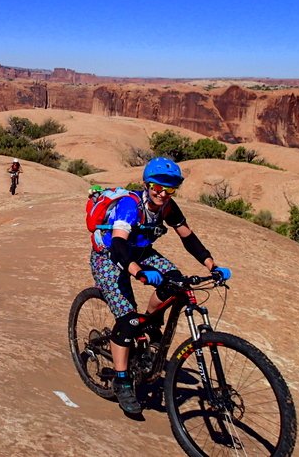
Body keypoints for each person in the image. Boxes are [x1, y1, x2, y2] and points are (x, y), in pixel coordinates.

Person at [88, 157, 231, 415]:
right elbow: (120, 243)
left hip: (141, 252)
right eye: (157, 187)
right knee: (128, 319)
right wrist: (137, 271)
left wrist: (211, 265)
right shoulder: (130, 206)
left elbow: (188, 238)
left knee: (176, 282)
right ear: (146, 184)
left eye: (170, 189)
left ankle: (152, 324)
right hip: (109, 256)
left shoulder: (167, 207)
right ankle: (121, 380)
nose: (163, 194)